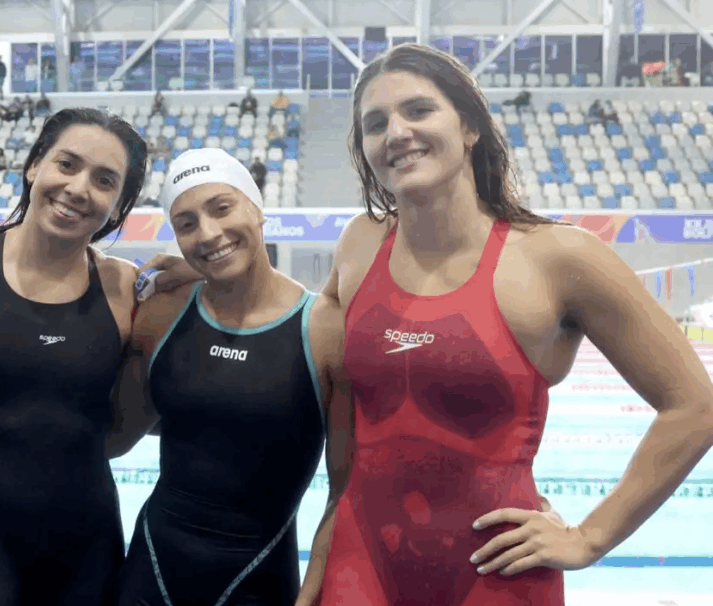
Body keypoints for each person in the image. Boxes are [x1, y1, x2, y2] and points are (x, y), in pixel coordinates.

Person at [304, 43, 713, 605]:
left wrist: (590, 537)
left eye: (418, 110)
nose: (396, 132)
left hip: (496, 572)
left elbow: (695, 405)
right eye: (376, 124)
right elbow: (310, 338)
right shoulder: (359, 244)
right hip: (361, 567)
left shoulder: (557, 257)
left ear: (470, 126)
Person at [0, 107, 150, 606]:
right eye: (67, 164)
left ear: (119, 207)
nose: (79, 188)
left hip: (88, 553)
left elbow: (121, 429)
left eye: (104, 180)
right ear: (34, 165)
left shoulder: (126, 289)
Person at [111, 148, 343, 606]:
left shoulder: (324, 329)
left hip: (259, 582)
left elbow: (346, 489)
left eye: (222, 208)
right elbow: (112, 437)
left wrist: (313, 595)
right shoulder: (162, 314)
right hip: (149, 573)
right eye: (186, 224)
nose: (208, 233)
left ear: (257, 209)